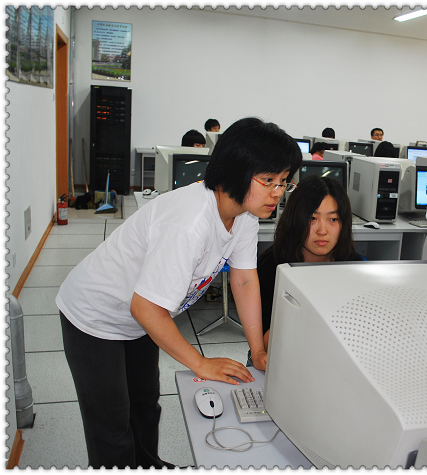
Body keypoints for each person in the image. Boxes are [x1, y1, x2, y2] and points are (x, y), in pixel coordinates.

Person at [55, 117, 302, 468]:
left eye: (283, 181)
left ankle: (148, 466)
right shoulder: (189, 223)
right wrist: (201, 363)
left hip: (140, 317)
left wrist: (259, 351)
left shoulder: (244, 215)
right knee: (111, 426)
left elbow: (244, 280)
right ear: (236, 170)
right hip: (95, 314)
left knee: (145, 405)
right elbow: (146, 307)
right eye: (268, 181)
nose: (277, 192)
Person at [256, 175, 363, 352]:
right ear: (295, 220)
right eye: (312, 218)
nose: (322, 231)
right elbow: (266, 341)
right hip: (281, 354)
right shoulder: (270, 266)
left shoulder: (353, 266)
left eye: (333, 219)